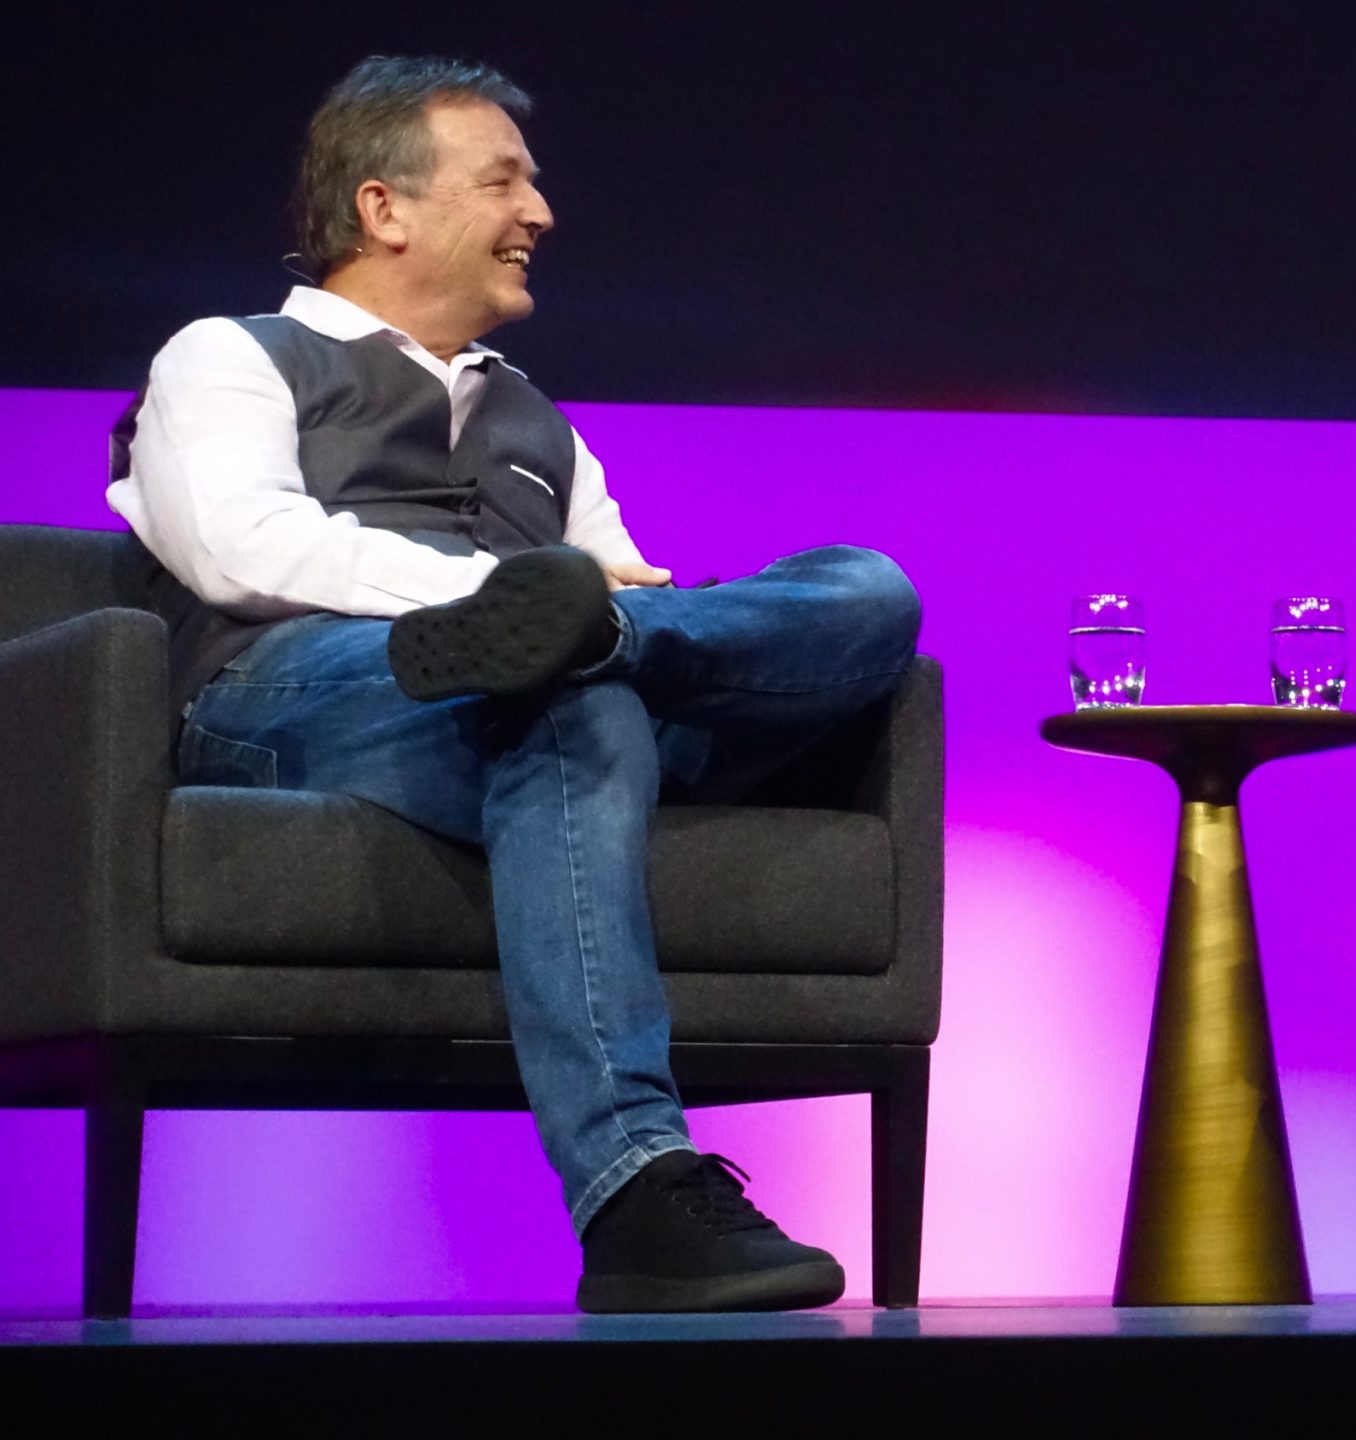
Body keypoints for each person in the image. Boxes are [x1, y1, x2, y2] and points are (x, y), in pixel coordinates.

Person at [106, 56, 923, 1314]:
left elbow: (614, 576)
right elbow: (241, 550)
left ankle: (589, 656)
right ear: (386, 210)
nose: (539, 213)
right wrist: (498, 608)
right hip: (288, 698)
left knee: (864, 588)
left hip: (532, 685)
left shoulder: (538, 421)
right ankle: (637, 1185)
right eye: (504, 180)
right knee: (563, 682)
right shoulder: (230, 355)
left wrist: (604, 624)